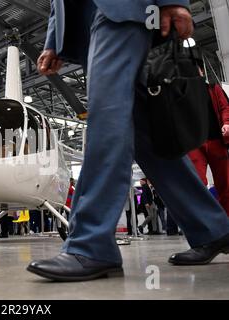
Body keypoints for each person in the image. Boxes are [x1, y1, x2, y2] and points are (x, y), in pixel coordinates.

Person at [27, 0, 229, 282]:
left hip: (123, 10)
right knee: (145, 135)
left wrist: (174, 1)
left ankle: (91, 243)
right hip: (89, 25)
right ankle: (212, 228)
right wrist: (54, 39)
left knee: (107, 120)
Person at [188, 67, 229, 216]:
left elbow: (225, 107)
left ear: (202, 73)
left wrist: (226, 123)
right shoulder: (185, 95)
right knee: (197, 184)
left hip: (216, 141)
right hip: (195, 144)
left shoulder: (213, 88)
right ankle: (206, 221)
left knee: (225, 184)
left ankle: (226, 221)